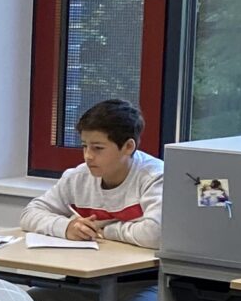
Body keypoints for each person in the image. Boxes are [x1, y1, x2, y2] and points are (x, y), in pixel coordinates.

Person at [20, 98, 164, 248]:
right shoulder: (78, 177)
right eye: (84, 146)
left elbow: (156, 234)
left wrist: (105, 230)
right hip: (91, 260)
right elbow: (29, 213)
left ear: (128, 147)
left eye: (98, 148)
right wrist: (66, 227)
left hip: (139, 263)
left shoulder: (155, 177)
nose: (88, 156)